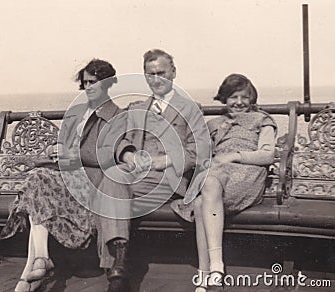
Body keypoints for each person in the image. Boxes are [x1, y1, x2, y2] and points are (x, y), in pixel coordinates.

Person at [0, 59, 126, 292]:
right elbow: (65, 149)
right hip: (67, 180)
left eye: (94, 82)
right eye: (85, 82)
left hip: (92, 184)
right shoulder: (78, 113)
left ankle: (29, 275)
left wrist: (71, 154)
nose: (88, 87)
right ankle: (40, 259)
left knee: (35, 191)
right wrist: (53, 152)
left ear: (107, 83)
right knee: (37, 182)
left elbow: (108, 157)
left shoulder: (117, 116)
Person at [96, 49, 210, 292]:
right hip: (136, 175)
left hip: (168, 178)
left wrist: (163, 160)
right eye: (150, 74)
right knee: (112, 177)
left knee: (108, 196)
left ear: (173, 73)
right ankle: (118, 267)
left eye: (161, 73)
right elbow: (117, 139)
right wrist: (128, 154)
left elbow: (198, 152)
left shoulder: (190, 108)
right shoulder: (137, 107)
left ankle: (115, 271)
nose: (156, 79)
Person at [172, 74, 277, 291]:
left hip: (247, 174)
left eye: (244, 97)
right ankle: (208, 274)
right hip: (218, 177)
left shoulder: (263, 120)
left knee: (208, 188)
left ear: (252, 99)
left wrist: (235, 155)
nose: (239, 102)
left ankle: (212, 268)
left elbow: (267, 156)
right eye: (233, 97)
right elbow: (198, 153)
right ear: (224, 99)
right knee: (201, 201)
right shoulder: (214, 125)